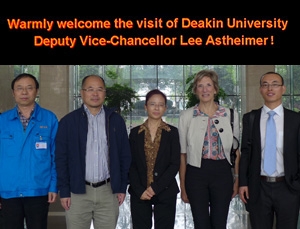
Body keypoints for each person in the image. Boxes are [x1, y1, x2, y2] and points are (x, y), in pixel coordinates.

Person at [55, 74, 132, 229]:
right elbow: (60, 158)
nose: (95, 94)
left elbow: (125, 155)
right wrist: (64, 190)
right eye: (90, 89)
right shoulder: (68, 122)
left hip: (108, 192)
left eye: (99, 89)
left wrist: (122, 186)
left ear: (105, 93)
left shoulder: (115, 120)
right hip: (77, 192)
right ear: (82, 92)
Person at [178, 69, 240, 229]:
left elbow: (236, 152)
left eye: (208, 85)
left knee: (220, 223)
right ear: (195, 90)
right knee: (201, 223)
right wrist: (183, 186)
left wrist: (237, 178)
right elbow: (183, 155)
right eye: (200, 86)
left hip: (222, 173)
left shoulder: (230, 115)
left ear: (215, 88)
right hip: (196, 173)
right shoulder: (186, 116)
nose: (205, 90)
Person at [239, 71, 300, 229]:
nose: (270, 88)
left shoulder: (296, 120)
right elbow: (245, 153)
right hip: (258, 186)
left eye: (275, 84)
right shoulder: (250, 118)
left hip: (288, 187)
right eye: (265, 85)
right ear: (260, 89)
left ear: (283, 89)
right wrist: (243, 183)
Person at [0, 73, 58, 228]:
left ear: (36, 91)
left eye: (29, 88)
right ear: (13, 92)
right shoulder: (2, 121)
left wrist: (53, 186)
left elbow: (56, 156)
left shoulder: (49, 119)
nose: (24, 92)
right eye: (19, 88)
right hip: (8, 191)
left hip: (38, 190)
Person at [128, 89, 181, 229]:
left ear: (165, 108)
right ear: (146, 106)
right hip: (140, 193)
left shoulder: (172, 132)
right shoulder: (135, 133)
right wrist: (139, 190)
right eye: (152, 104)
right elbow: (130, 164)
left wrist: (155, 188)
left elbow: (174, 164)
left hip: (165, 191)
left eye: (161, 104)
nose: (156, 108)